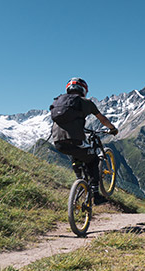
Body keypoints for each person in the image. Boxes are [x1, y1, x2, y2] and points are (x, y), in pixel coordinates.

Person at [51, 77, 118, 205]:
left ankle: (80, 180)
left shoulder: (58, 102)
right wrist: (113, 129)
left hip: (58, 142)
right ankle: (95, 194)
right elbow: (102, 120)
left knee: (77, 155)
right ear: (83, 90)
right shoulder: (85, 102)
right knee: (93, 160)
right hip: (75, 141)